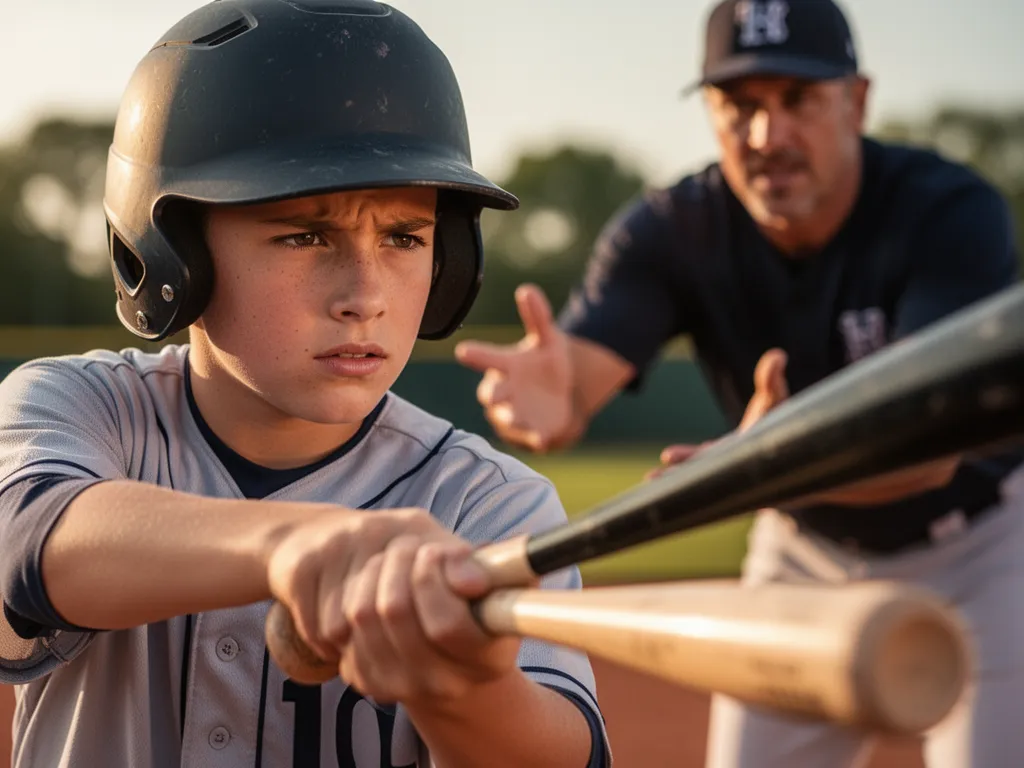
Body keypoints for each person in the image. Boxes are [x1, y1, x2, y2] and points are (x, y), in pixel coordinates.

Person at [0, 2, 610, 767]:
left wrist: (465, 687)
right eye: (304, 234)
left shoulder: (484, 502)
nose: (365, 294)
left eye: (404, 237)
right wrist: (299, 543)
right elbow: (28, 543)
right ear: (169, 252)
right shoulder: (79, 408)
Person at [455, 0, 1024, 766]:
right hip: (802, 547)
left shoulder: (947, 211)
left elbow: (928, 453)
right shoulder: (672, 228)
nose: (767, 136)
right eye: (740, 105)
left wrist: (773, 464)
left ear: (856, 101)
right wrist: (554, 398)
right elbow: (576, 379)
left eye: (797, 100)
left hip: (983, 546)